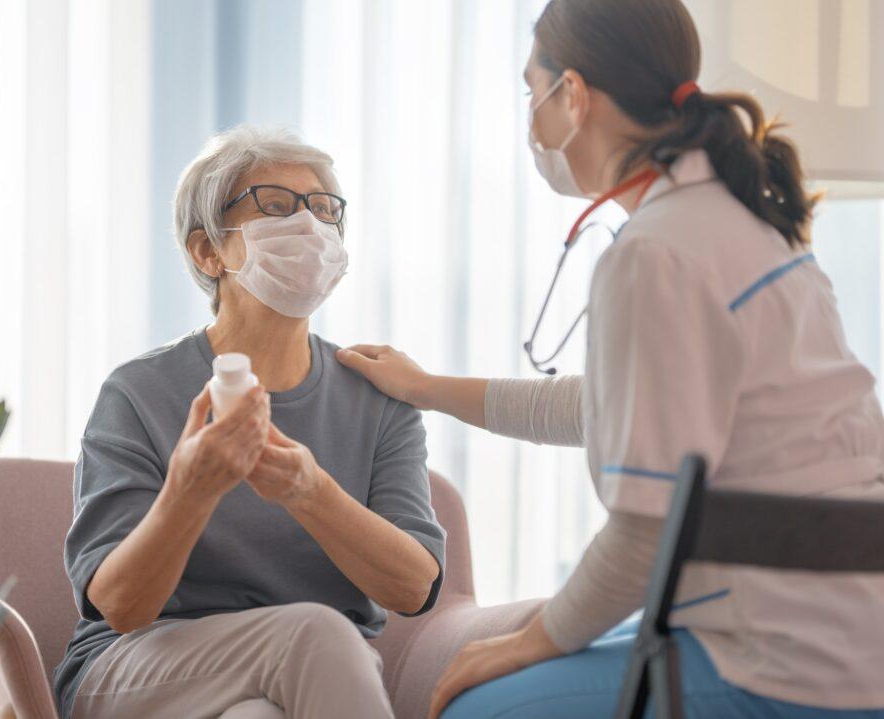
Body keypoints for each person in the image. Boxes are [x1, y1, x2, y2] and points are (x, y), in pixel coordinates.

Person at [337, 0, 884, 717]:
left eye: (532, 93)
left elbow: (643, 531)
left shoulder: (655, 253)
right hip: (844, 626)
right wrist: (428, 387)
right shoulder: (737, 219)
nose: (530, 121)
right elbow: (609, 404)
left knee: (468, 705)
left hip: (783, 658)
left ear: (573, 95)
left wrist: (528, 640)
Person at [52, 125, 445, 719]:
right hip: (138, 665)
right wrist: (191, 489)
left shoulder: (379, 399)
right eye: (276, 206)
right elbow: (120, 606)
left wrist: (308, 491)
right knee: (314, 634)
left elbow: (414, 588)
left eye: (323, 209)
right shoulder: (139, 392)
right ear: (207, 250)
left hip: (303, 677)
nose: (309, 226)